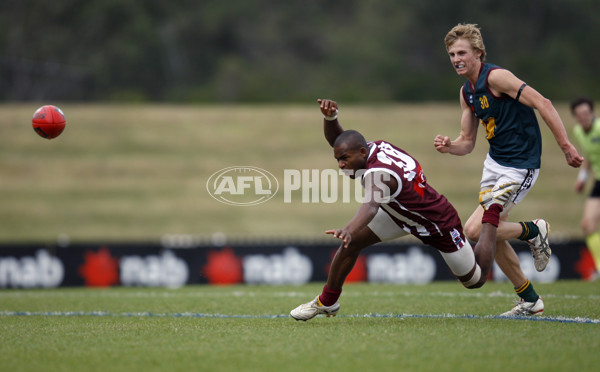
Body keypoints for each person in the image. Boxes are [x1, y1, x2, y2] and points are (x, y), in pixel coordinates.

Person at [290, 98, 523, 321]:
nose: (341, 164)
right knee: (351, 244)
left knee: (475, 280)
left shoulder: (377, 173)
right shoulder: (371, 149)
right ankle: (327, 301)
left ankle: (491, 213)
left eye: (344, 159)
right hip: (401, 213)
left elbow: (371, 206)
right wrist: (331, 119)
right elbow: (341, 142)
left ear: (362, 153)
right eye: (338, 159)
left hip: (436, 222)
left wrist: (349, 228)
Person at [434, 24, 584, 316]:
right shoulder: (466, 93)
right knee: (479, 231)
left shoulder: (498, 78)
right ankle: (530, 300)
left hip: (521, 164)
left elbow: (543, 103)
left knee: (480, 228)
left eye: (462, 52)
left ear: (478, 53)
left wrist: (566, 146)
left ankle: (533, 230)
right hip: (495, 165)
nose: (456, 59)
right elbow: (467, 142)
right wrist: (449, 145)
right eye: (452, 54)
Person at [570, 97, 600, 280]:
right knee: (587, 225)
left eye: (586, 113)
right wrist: (582, 178)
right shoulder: (578, 131)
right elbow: (589, 156)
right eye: (580, 114)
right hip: (598, 181)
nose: (584, 117)